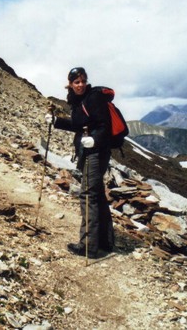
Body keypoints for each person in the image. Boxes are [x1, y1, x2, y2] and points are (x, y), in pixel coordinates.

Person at [45, 67, 115, 258]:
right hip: (89, 151)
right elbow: (78, 125)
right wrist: (56, 121)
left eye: (83, 81)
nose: (81, 85)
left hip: (96, 152)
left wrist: (95, 139)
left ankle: (88, 246)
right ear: (70, 83)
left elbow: (104, 126)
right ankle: (105, 241)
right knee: (96, 193)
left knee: (87, 195)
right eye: (77, 82)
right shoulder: (77, 100)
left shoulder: (93, 98)